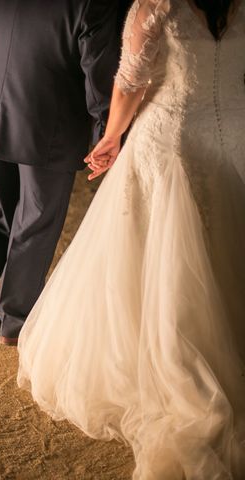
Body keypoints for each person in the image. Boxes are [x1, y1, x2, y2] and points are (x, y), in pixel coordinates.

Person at [17, 1, 245, 478]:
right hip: (235, 139)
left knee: (164, 259)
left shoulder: (157, 4)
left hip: (174, 139)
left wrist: (112, 136)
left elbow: (129, 81)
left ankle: (179, 361)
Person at [0, 0, 125, 346]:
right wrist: (107, 130)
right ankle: (14, 322)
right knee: (35, 222)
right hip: (51, 121)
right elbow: (97, 67)